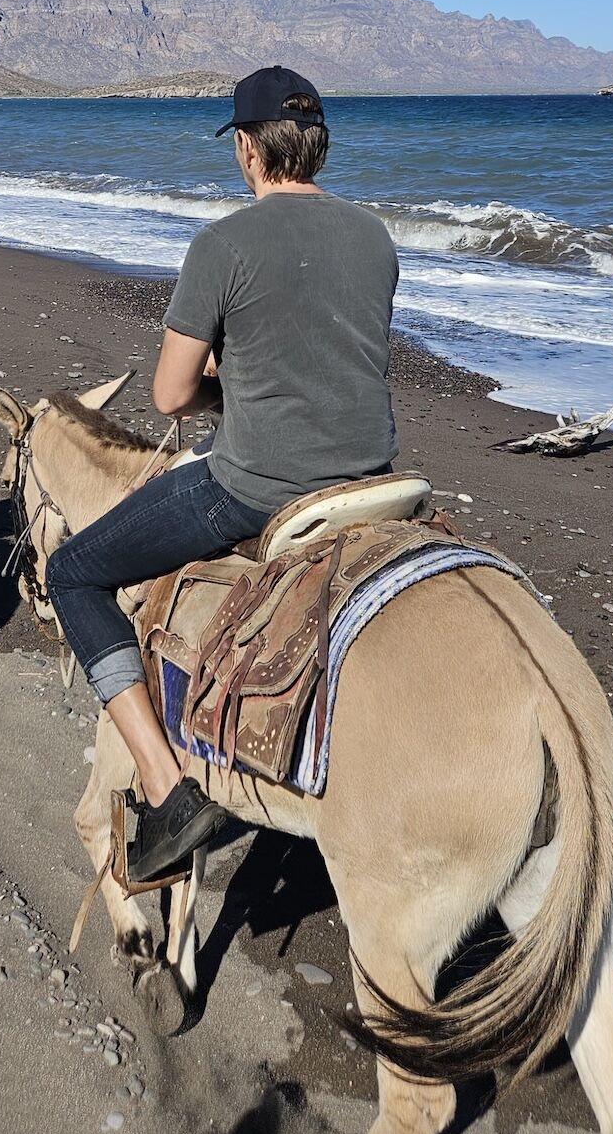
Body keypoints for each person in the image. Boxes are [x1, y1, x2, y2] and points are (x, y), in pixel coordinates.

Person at [45, 65, 399, 883]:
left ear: (246, 149)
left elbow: (170, 393)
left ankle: (169, 793)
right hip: (372, 475)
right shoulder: (375, 236)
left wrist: (226, 388)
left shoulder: (223, 244)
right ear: (317, 145)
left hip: (257, 484)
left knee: (72, 572)